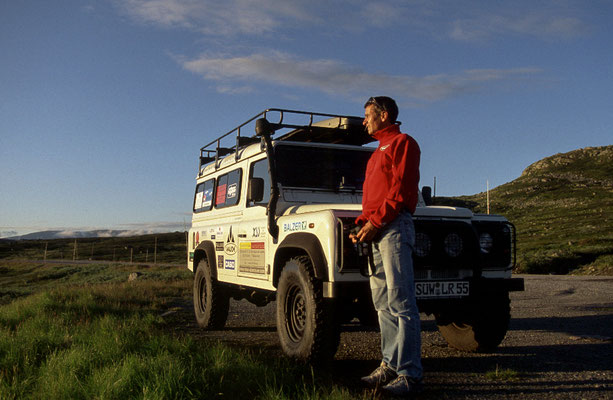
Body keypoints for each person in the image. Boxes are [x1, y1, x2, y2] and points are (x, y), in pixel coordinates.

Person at [351, 96, 424, 396]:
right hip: (377, 229)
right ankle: (389, 365)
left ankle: (409, 373)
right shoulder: (375, 153)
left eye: (368, 115)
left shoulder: (403, 143)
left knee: (401, 301)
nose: (364, 121)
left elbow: (400, 191)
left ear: (383, 114)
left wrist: (376, 222)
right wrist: (362, 223)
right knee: (382, 303)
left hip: (393, 227)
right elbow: (375, 197)